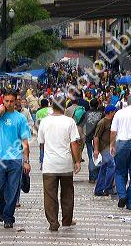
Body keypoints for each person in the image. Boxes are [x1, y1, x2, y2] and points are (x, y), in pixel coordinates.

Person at [37, 95, 81, 231]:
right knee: (67, 193)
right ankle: (67, 220)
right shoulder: (70, 122)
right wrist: (77, 161)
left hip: (50, 165)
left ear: (51, 105)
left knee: (50, 196)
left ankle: (53, 223)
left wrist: (43, 159)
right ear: (64, 107)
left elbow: (41, 143)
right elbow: (74, 143)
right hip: (66, 164)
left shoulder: (44, 122)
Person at [0, 90, 31, 229]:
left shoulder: (21, 118)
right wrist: (1, 107)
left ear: (16, 102)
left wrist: (26, 161)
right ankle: (0, 209)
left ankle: (8, 217)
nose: (9, 104)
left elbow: (25, 141)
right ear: (3, 101)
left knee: (13, 190)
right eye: (6, 101)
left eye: (11, 101)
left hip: (15, 159)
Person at [93, 105, 117, 196]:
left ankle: (99, 189)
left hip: (109, 148)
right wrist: (96, 149)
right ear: (111, 112)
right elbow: (96, 137)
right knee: (112, 166)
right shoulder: (102, 122)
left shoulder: (113, 122)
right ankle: (108, 187)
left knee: (103, 169)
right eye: (114, 112)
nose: (115, 113)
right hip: (104, 148)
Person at [84, 98, 103, 183]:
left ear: (90, 105)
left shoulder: (86, 114)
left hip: (88, 138)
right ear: (97, 105)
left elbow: (81, 125)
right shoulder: (101, 114)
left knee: (91, 157)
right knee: (98, 156)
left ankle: (92, 177)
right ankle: (98, 176)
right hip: (98, 138)